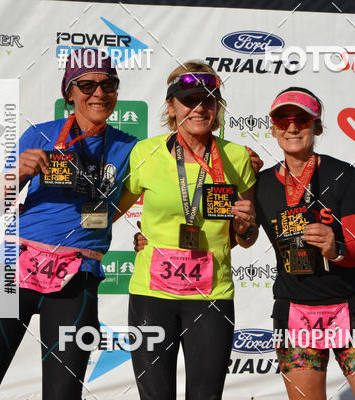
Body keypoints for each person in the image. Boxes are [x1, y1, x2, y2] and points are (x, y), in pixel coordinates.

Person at [0, 49, 137, 399]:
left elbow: (138, 199)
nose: (99, 93)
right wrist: (18, 173)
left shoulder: (130, 148)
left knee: (62, 393)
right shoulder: (39, 134)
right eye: (87, 85)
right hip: (12, 268)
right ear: (69, 93)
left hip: (77, 274)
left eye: (108, 84)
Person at [112, 61, 258, 400]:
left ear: (217, 107)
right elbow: (109, 212)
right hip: (152, 295)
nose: (199, 108)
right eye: (189, 100)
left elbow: (247, 238)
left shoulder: (237, 158)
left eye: (208, 100)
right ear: (171, 107)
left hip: (211, 296)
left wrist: (243, 226)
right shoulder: (145, 152)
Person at [255, 87, 355, 399]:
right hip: (295, 311)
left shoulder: (342, 174)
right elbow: (241, 238)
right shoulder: (260, 183)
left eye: (302, 119)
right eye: (283, 120)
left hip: (351, 306)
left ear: (317, 127)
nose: (292, 127)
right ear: (273, 128)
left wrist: (336, 249)